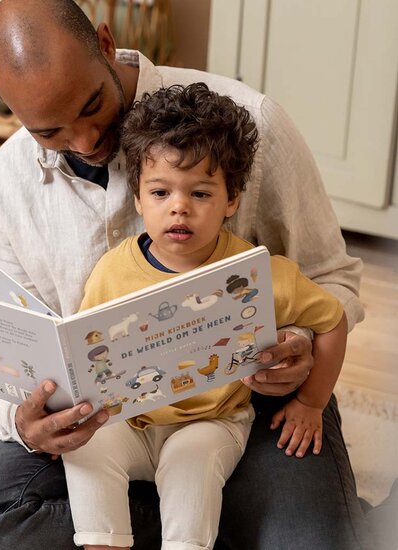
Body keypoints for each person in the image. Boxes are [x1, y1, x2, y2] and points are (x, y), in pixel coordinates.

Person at [0, 0, 372, 548]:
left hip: (244, 405)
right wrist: (26, 421)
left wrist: (301, 346)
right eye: (50, 131)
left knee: (309, 541)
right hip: (108, 421)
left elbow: (332, 278)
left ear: (106, 44)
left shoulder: (250, 122)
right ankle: (200, 518)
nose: (88, 139)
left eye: (93, 103)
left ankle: (214, 512)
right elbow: (17, 345)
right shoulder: (6, 182)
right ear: (7, 104)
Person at [61, 82, 348, 550]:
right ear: (137, 198)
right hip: (129, 421)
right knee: (86, 448)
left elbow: (332, 320)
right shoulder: (112, 269)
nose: (179, 206)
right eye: (159, 191)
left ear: (231, 200)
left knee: (191, 466)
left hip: (210, 423)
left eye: (199, 193)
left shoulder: (256, 272)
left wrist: (312, 402)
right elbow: (83, 347)